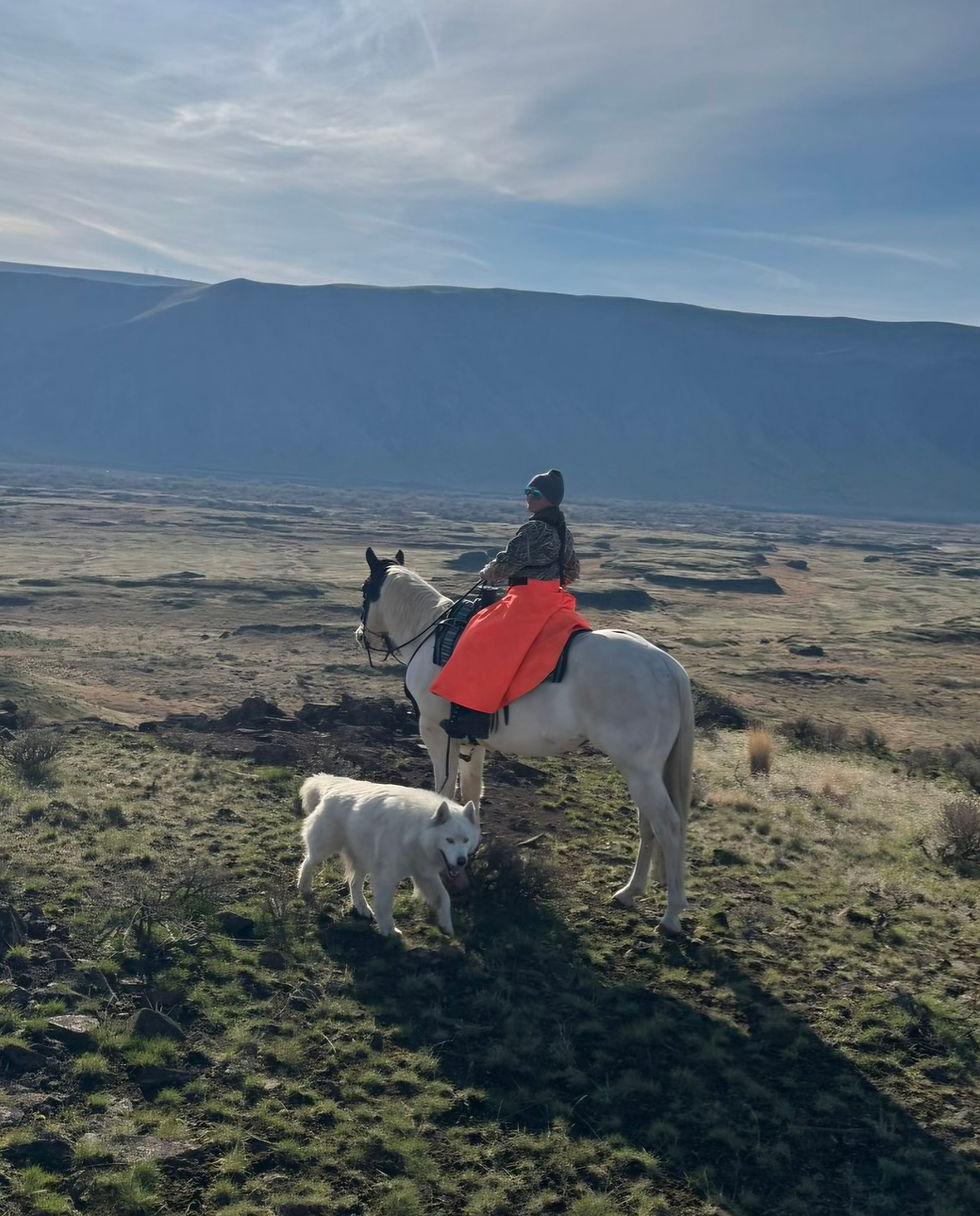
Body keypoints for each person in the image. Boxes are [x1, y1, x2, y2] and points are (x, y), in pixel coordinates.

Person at [431, 468, 591, 740]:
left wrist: (487, 573)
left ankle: (474, 717)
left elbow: (507, 561)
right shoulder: (564, 531)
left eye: (535, 493)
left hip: (528, 600)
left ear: (549, 499)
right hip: (555, 598)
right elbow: (572, 571)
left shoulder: (535, 528)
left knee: (479, 634)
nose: (528, 497)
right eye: (527, 492)